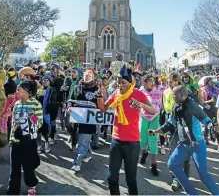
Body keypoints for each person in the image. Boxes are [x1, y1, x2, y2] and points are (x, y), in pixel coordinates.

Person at [149, 85, 219, 196]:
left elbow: (205, 119)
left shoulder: (193, 106)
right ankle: (192, 193)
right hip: (183, 144)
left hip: (197, 144)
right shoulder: (175, 107)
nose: (172, 96)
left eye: (174, 94)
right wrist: (156, 131)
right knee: (172, 164)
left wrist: (213, 126)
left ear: (182, 95)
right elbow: (170, 123)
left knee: (203, 175)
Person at [98, 64, 156, 195]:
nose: (120, 85)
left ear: (130, 83)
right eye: (118, 83)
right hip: (116, 141)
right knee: (111, 177)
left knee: (130, 179)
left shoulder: (138, 93)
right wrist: (99, 97)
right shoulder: (116, 93)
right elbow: (103, 108)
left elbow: (153, 110)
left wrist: (141, 105)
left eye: (123, 83)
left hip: (132, 143)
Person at [7, 80, 43, 196]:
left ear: (27, 91)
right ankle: (12, 191)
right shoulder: (17, 104)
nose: (17, 92)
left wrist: (30, 120)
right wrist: (11, 137)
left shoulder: (36, 104)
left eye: (20, 90)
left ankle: (32, 186)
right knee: (14, 168)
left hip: (28, 141)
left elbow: (40, 122)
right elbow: (13, 122)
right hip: (15, 140)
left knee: (28, 168)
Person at [162, 73, 191, 192]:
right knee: (174, 154)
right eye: (168, 81)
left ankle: (185, 177)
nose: (168, 83)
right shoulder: (165, 92)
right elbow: (163, 109)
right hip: (171, 127)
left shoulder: (184, 91)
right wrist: (162, 126)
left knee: (185, 156)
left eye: (170, 81)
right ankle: (176, 179)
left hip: (184, 129)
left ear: (176, 82)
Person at [69, 68, 101, 172]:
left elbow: (100, 104)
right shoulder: (77, 87)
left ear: (92, 77)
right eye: (86, 75)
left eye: (89, 75)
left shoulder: (96, 89)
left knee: (82, 142)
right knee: (81, 140)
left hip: (89, 120)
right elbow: (71, 99)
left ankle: (77, 163)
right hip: (77, 119)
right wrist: (69, 106)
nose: (87, 77)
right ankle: (88, 153)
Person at [139, 73, 163, 176]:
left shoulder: (158, 92)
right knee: (143, 140)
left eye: (153, 81)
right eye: (150, 81)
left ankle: (154, 165)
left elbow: (158, 106)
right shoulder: (140, 92)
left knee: (153, 141)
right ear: (144, 82)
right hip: (143, 118)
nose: (153, 83)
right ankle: (144, 152)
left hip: (155, 118)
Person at [202, 77, 219, 151]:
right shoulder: (204, 90)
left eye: (212, 82)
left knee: (217, 125)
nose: (212, 83)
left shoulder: (217, 89)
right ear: (207, 83)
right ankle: (206, 137)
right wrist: (210, 101)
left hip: (216, 110)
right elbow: (201, 101)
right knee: (208, 125)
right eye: (210, 82)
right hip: (207, 110)